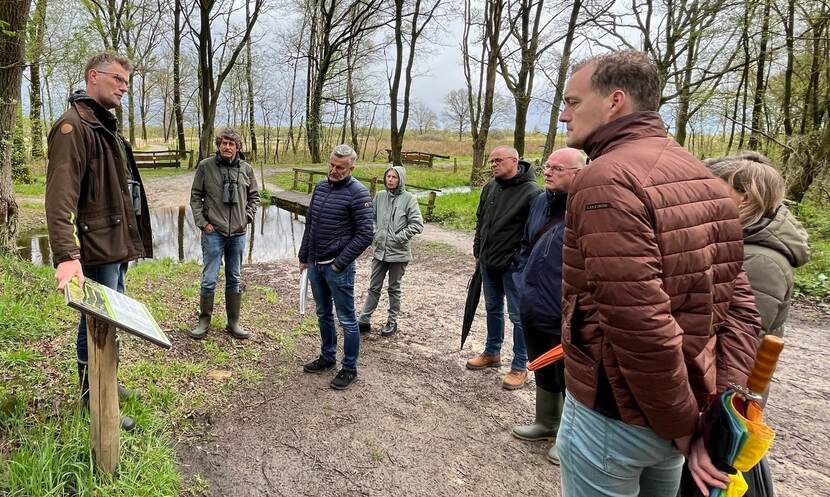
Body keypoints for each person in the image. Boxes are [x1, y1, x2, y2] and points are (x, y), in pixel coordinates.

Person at [555, 50, 762, 496]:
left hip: (617, 414)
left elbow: (638, 324)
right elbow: (742, 310)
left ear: (614, 101)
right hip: (679, 410)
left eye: (572, 101)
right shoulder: (703, 177)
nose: (563, 115)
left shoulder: (606, 178)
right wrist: (711, 410)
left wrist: (686, 429)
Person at [46, 52, 153, 432]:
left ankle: (106, 381)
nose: (124, 86)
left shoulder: (103, 125)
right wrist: (66, 254)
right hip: (96, 246)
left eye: (127, 81)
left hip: (115, 243)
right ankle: (94, 399)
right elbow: (59, 197)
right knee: (96, 323)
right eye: (118, 79)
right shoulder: (72, 127)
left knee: (111, 319)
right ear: (94, 76)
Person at [705, 152, 810, 389]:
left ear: (745, 197)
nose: (702, 197)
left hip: (728, 392)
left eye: (712, 190)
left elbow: (742, 340)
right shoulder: (736, 243)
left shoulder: (762, 260)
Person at [511, 147, 585, 465]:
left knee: (571, 375)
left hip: (566, 309)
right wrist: (522, 279)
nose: (548, 172)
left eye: (557, 168)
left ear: (578, 174)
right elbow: (527, 244)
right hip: (533, 302)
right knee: (541, 363)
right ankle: (546, 423)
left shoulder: (589, 208)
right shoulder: (541, 201)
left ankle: (569, 439)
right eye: (547, 166)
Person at [468, 145, 543, 390]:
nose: (493, 165)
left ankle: (520, 366)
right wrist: (478, 251)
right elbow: (481, 221)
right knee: (492, 308)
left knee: (518, 316)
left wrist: (518, 260)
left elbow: (535, 234)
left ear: (514, 161)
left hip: (514, 267)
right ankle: (492, 352)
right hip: (488, 262)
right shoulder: (490, 187)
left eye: (498, 161)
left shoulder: (533, 193)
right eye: (491, 161)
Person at [299, 144, 373, 390]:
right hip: (315, 264)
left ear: (351, 167)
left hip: (338, 268)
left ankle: (349, 368)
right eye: (331, 165)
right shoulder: (320, 188)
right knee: (323, 313)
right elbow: (310, 224)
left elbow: (365, 235)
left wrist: (340, 264)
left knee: (347, 320)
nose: (334, 170)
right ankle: (327, 357)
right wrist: (304, 257)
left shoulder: (358, 193)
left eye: (340, 167)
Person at [189, 127, 260, 340]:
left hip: (238, 234)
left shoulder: (246, 169)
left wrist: (246, 217)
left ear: (238, 147)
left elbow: (254, 197)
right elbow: (195, 197)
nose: (227, 147)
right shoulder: (205, 167)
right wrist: (203, 224)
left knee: (234, 277)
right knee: (209, 278)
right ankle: (204, 321)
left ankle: (233, 322)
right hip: (213, 233)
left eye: (232, 143)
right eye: (224, 143)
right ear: (218, 145)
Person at [357, 166, 424, 337]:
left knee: (394, 289)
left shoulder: (409, 199)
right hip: (379, 252)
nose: (390, 180)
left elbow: (417, 224)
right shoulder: (379, 196)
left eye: (394, 177)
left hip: (399, 253)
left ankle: (392, 321)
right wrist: (375, 234)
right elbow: (370, 217)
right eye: (388, 176)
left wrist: (398, 237)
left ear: (400, 179)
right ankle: (364, 320)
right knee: (374, 287)